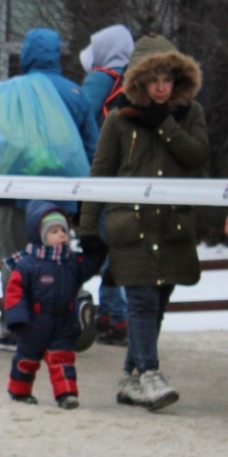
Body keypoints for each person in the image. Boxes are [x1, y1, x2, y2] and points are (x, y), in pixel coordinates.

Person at [79, 47, 209, 411]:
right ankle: (150, 372)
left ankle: (131, 377)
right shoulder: (119, 118)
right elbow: (101, 172)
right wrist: (87, 226)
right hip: (130, 227)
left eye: (167, 79)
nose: (161, 87)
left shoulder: (191, 113)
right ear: (140, 82)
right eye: (154, 80)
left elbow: (198, 156)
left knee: (157, 306)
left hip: (172, 227)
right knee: (141, 302)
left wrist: (164, 124)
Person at [0, 28, 98, 351]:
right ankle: (65, 319)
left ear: (27, 55)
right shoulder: (76, 93)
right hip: (61, 197)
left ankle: (13, 328)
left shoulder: (10, 92)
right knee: (58, 260)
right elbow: (91, 147)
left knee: (15, 260)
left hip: (16, 194)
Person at [4, 202, 107, 408]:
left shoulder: (73, 262)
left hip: (64, 321)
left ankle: (66, 394)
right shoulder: (27, 264)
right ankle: (19, 391)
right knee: (27, 359)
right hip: (35, 322)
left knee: (63, 358)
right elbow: (15, 293)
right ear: (40, 236)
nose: (61, 235)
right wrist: (17, 319)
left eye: (64, 231)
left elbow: (94, 261)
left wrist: (92, 243)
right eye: (54, 231)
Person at [78, 24, 135, 346]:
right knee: (117, 244)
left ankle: (113, 316)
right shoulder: (135, 80)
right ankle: (113, 314)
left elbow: (80, 115)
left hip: (102, 171)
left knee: (102, 242)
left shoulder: (103, 78)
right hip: (129, 173)